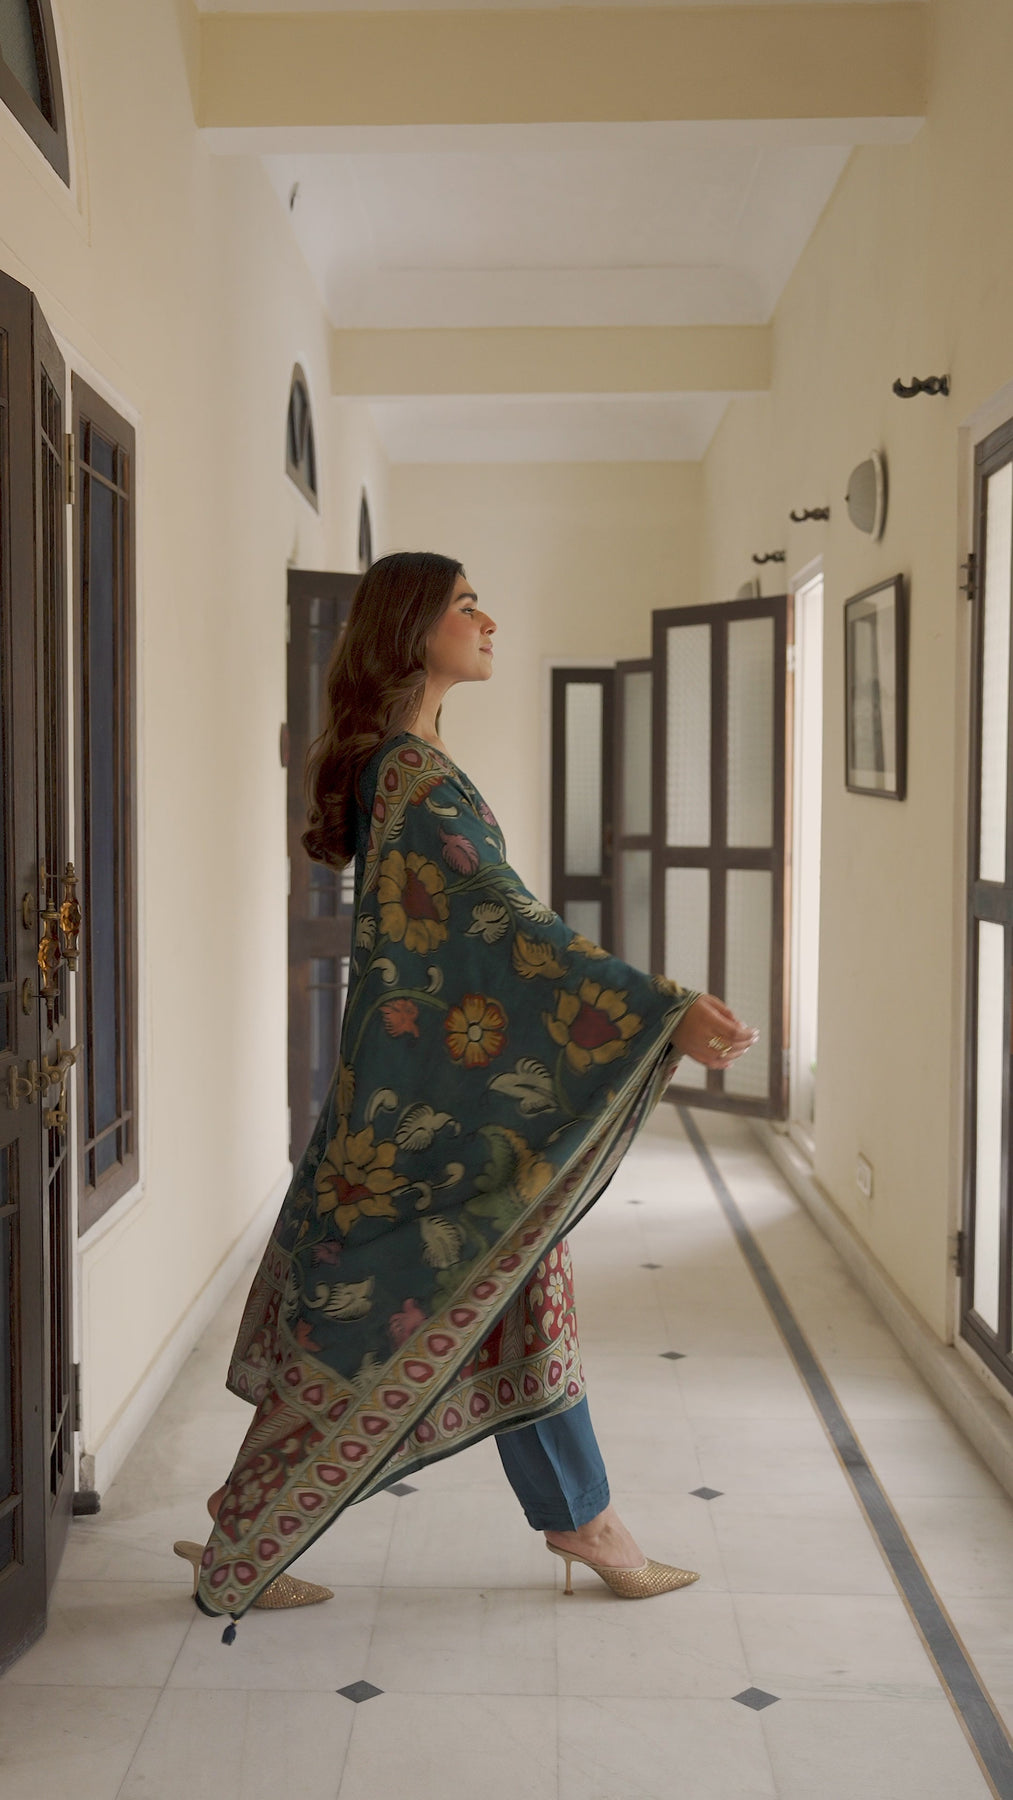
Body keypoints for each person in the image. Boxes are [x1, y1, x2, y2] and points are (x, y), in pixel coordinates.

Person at [175, 552, 756, 1632]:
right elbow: (505, 928)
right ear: (412, 628)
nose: (487, 622)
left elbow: (474, 934)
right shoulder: (414, 777)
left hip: (416, 1103)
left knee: (508, 1292)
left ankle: (582, 1522)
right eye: (464, 606)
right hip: (423, 1118)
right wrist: (661, 1007)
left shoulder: (409, 766)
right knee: (382, 1315)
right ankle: (246, 1535)